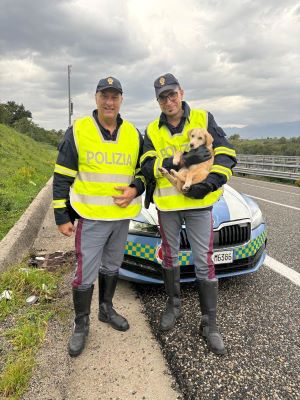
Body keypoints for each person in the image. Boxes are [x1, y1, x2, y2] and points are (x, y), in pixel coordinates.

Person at [141, 73, 237, 355]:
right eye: (162, 97)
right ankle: (174, 306)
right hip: (168, 207)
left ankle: (210, 323)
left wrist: (209, 183)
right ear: (157, 101)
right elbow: (147, 162)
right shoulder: (151, 129)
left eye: (172, 94)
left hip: (198, 205)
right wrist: (170, 161)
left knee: (203, 261)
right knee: (169, 257)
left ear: (181, 93)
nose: (168, 101)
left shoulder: (203, 117)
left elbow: (226, 153)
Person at [53, 76, 144, 357]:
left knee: (112, 266)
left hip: (121, 217)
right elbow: (62, 175)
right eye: (104, 96)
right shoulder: (79, 130)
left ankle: (106, 309)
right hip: (90, 217)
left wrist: (135, 189)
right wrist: (61, 215)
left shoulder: (133, 133)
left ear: (121, 100)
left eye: (114, 96)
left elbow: (143, 173)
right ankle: (81, 325)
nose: (109, 101)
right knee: (84, 275)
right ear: (95, 98)